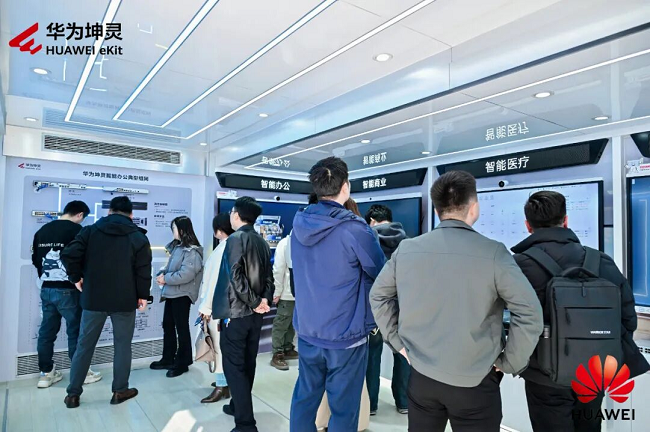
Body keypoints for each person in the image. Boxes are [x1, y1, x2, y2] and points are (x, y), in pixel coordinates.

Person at [370, 171, 543, 432]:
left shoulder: (407, 249)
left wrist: (398, 344)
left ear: (437, 210)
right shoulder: (494, 252)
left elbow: (378, 296)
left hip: (422, 377)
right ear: (474, 208)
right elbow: (530, 313)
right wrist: (510, 362)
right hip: (476, 381)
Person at [511, 191, 650, 432]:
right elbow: (628, 318)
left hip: (543, 375)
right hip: (593, 371)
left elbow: (511, 321)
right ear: (565, 221)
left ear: (528, 226)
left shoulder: (519, 266)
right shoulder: (601, 261)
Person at [290, 157, 385, 432]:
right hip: (346, 336)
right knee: (344, 409)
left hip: (308, 330)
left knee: (304, 400)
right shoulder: (355, 229)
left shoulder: (299, 226)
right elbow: (380, 273)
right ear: (346, 186)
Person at [60, 196, 152, 409]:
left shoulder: (90, 231)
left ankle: (73, 394)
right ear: (131, 215)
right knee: (122, 346)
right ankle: (120, 391)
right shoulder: (138, 237)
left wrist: (75, 277)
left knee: (84, 346)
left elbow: (68, 254)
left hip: (93, 298)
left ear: (109, 211)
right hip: (124, 299)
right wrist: (143, 296)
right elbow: (143, 271)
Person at [212, 197, 274, 432]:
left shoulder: (235, 239)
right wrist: (263, 300)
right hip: (255, 314)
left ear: (236, 215)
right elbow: (269, 277)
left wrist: (256, 301)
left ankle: (245, 423)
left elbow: (235, 276)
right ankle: (238, 406)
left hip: (236, 313)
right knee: (248, 362)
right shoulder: (261, 241)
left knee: (234, 366)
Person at [31, 200, 102, 388]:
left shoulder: (42, 231)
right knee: (76, 331)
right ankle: (81, 373)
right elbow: (86, 259)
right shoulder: (78, 231)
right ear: (80, 214)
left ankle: (46, 374)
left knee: (47, 331)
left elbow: (36, 259)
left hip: (46, 288)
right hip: (70, 289)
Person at [364, 204, 410, 415]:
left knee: (372, 356)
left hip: (375, 309)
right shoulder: (409, 241)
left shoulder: (368, 241)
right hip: (403, 308)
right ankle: (403, 402)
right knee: (403, 355)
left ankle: (371, 404)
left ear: (372, 221)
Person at [150, 216, 203, 378]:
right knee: (168, 325)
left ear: (182, 230)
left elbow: (186, 274)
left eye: (174, 228)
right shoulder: (178, 248)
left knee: (181, 327)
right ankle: (168, 358)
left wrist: (165, 278)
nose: (172, 231)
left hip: (182, 294)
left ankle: (183, 362)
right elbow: (172, 268)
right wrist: (163, 274)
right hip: (172, 293)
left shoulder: (192, 251)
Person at [198, 213, 234, 403]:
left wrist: (205, 307)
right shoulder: (231, 247)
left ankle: (222, 386)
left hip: (217, 308)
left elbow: (213, 283)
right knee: (222, 347)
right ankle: (224, 382)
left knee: (218, 347)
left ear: (219, 230)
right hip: (226, 307)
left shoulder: (222, 250)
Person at [270, 234, 299, 371]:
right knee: (281, 323)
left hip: (300, 294)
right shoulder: (285, 243)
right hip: (287, 293)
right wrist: (277, 292)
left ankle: (288, 347)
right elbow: (278, 269)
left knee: (292, 323)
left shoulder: (302, 241)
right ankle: (277, 352)